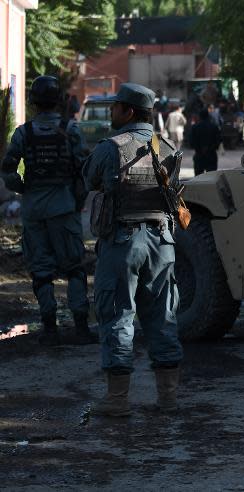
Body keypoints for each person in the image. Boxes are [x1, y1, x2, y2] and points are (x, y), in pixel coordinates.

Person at [83, 83, 183, 417]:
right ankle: (168, 398)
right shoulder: (165, 145)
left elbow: (89, 179)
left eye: (115, 107)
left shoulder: (111, 147)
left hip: (123, 242)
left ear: (127, 111)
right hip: (163, 242)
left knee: (117, 315)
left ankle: (117, 401)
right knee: (163, 317)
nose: (112, 112)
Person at [0, 75, 95, 346]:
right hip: (63, 209)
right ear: (59, 101)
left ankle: (50, 329)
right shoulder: (70, 130)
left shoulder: (23, 133)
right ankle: (80, 328)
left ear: (33, 102)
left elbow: (7, 169)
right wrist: (77, 200)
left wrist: (23, 189)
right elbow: (85, 171)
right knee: (74, 268)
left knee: (41, 271)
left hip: (34, 211)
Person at [189, 109, 221, 175]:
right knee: (212, 178)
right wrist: (210, 148)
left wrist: (199, 149)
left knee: (199, 179)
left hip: (199, 155)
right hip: (211, 155)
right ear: (208, 116)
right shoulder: (214, 127)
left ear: (199, 116)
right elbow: (219, 140)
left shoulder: (195, 127)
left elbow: (191, 142)